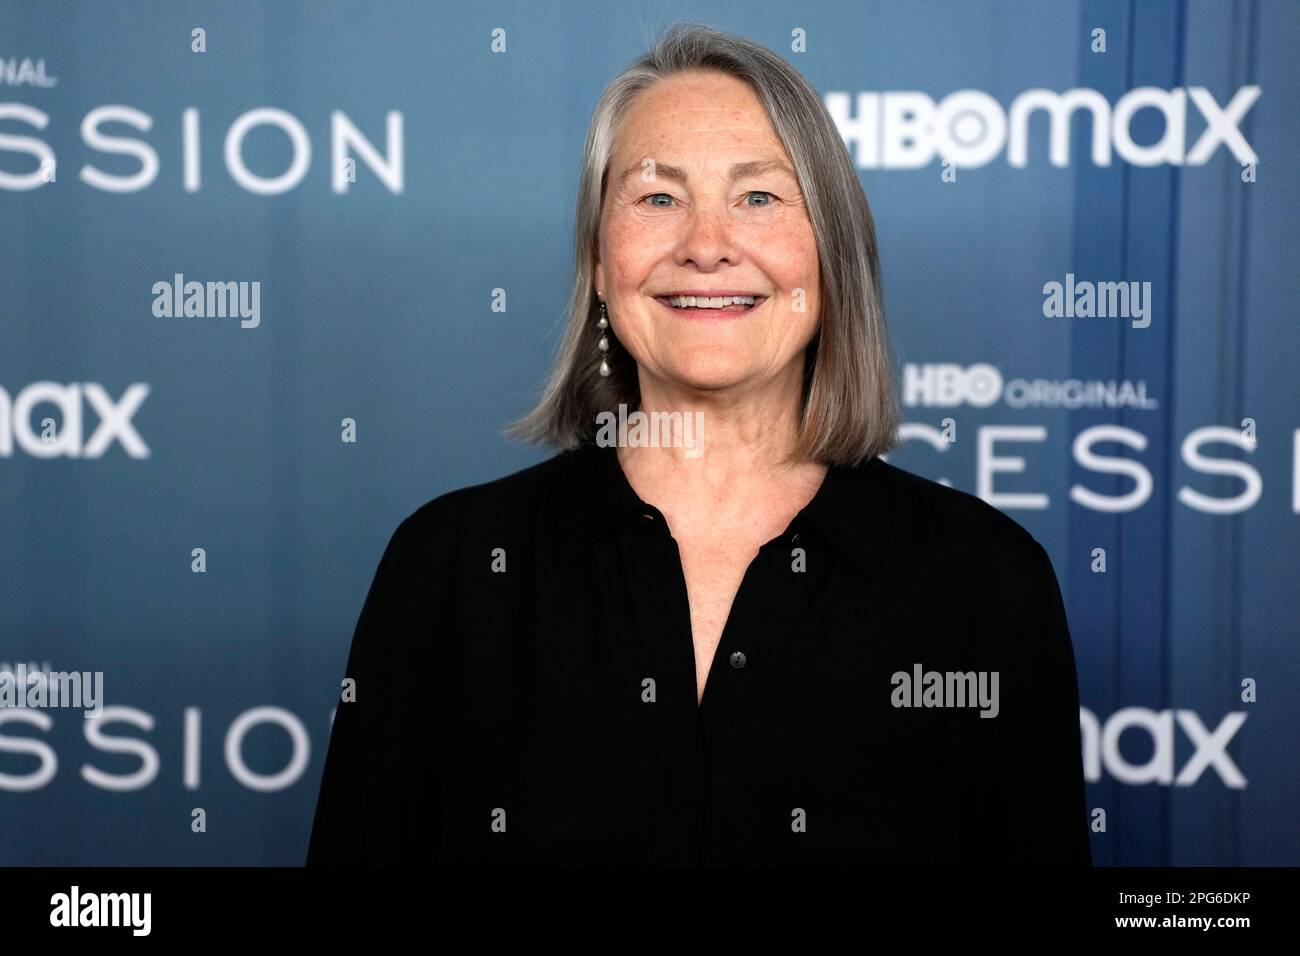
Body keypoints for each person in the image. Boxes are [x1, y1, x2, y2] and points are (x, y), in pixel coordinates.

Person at [307, 21, 1091, 866]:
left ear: (831, 251)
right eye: (657, 197)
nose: (706, 245)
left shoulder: (984, 583)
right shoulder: (449, 571)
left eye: (758, 196)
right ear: (600, 264)